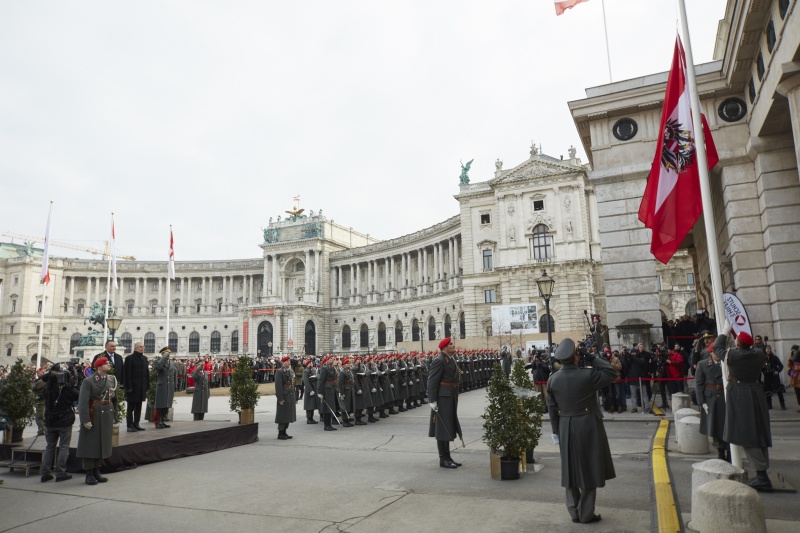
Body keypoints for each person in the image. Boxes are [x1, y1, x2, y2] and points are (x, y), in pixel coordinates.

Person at [547, 338, 617, 524]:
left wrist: (556, 432)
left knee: (569, 469)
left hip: (564, 426)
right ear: (576, 357)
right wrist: (593, 358)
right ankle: (586, 513)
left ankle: (574, 511)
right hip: (587, 425)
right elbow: (611, 373)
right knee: (589, 467)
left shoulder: (552, 380)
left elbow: (552, 410)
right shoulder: (587, 375)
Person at [715, 327, 773, 491]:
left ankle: (761, 475)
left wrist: (724, 332)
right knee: (759, 433)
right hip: (756, 391)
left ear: (738, 344)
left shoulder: (735, 355)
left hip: (742, 395)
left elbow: (717, 348)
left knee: (748, 435)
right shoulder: (759, 354)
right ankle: (762, 471)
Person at [77, 357, 117, 485]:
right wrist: (85, 419)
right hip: (93, 413)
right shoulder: (89, 381)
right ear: (99, 367)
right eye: (106, 363)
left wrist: (114, 414)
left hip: (106, 414)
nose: (108, 364)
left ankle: (97, 471)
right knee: (90, 445)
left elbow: (114, 399)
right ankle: (89, 473)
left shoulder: (111, 379)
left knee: (102, 444)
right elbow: (82, 402)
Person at [40, 363, 80, 482]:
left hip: (50, 421)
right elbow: (79, 395)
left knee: (50, 447)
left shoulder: (47, 386)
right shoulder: (66, 388)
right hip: (64, 421)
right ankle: (60, 472)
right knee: (64, 447)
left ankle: (45, 472)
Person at [427, 337, 463, 469]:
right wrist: (432, 401)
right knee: (442, 428)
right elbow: (432, 382)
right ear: (444, 348)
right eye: (451, 344)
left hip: (450, 396)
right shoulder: (439, 360)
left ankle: (448, 456)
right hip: (443, 398)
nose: (453, 346)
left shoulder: (450, 359)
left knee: (448, 427)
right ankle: (443, 459)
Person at [694, 342, 728, 461]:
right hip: (711, 399)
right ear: (710, 352)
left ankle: (729, 450)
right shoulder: (703, 364)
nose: (717, 354)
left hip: (725, 396)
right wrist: (701, 402)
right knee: (715, 427)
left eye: (719, 352)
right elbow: (698, 385)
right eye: (715, 352)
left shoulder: (726, 363)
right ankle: (720, 452)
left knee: (727, 424)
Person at [122, 342, 150, 432]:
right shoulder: (129, 358)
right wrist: (128, 387)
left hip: (141, 387)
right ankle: (129, 425)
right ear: (136, 348)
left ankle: (136, 424)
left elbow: (147, 373)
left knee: (139, 407)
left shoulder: (144, 358)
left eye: (143, 347)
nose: (143, 348)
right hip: (133, 387)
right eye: (141, 347)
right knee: (131, 408)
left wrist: (147, 385)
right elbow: (127, 374)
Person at [153, 347, 177, 429]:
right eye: (167, 353)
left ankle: (163, 420)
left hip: (169, 386)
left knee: (167, 404)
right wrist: (163, 358)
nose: (168, 355)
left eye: (169, 354)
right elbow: (159, 367)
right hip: (162, 386)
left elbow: (174, 375)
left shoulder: (172, 363)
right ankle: (158, 421)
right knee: (160, 404)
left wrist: (175, 385)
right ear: (163, 354)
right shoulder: (157, 362)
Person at [274, 355, 296, 439]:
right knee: (283, 415)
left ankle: (285, 432)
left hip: (289, 394)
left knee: (288, 414)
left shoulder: (289, 371)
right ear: (283, 362)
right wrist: (280, 398)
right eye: (287, 361)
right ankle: (280, 433)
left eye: (289, 361)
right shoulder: (279, 371)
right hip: (284, 395)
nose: (289, 362)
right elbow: (278, 386)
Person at [317, 356, 339, 431]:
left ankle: (330, 424)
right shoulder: (324, 368)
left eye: (333, 358)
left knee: (331, 407)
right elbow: (321, 381)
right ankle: (326, 425)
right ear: (327, 360)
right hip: (326, 389)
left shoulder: (333, 368)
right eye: (330, 358)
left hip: (332, 388)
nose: (332, 359)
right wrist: (320, 392)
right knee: (327, 408)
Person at [762, 345, 786, 410]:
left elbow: (781, 366)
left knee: (778, 390)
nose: (768, 350)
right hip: (767, 376)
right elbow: (760, 367)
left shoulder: (775, 358)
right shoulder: (763, 359)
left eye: (769, 349)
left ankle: (782, 404)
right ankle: (769, 404)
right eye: (767, 349)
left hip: (774, 376)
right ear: (765, 350)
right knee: (767, 391)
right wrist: (763, 371)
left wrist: (777, 371)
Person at [301, 359, 319, 424]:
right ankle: (309, 418)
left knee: (312, 405)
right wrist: (310, 390)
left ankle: (311, 418)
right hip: (309, 390)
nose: (312, 364)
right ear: (308, 364)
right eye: (310, 363)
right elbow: (305, 381)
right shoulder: (306, 371)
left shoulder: (312, 370)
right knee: (309, 405)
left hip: (313, 388)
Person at [788, 345, 800, 412]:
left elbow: (796, 367)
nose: (793, 352)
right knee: (798, 394)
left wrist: (796, 368)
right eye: (792, 350)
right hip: (794, 377)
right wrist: (790, 359)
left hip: (798, 377)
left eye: (794, 350)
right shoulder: (793, 357)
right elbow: (789, 365)